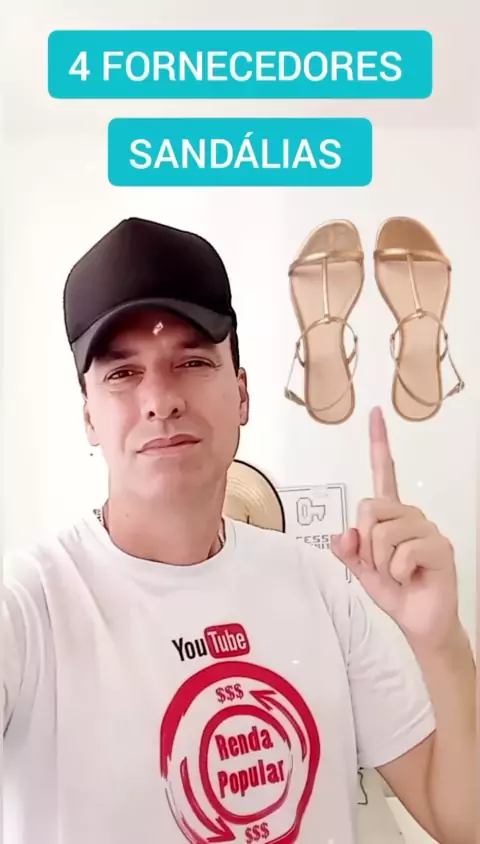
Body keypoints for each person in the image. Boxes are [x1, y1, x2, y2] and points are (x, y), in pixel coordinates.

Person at [2, 217, 475, 844]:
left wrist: (441, 642)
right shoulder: (28, 607)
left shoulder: (323, 588)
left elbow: (462, 821)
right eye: (121, 373)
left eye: (193, 361)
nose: (160, 399)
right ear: (88, 415)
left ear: (243, 394)